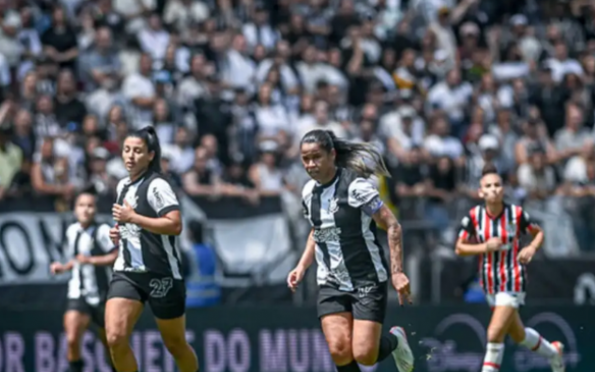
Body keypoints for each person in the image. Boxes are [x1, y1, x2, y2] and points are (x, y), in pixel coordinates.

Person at [287, 129, 414, 372]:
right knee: (339, 349)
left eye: (316, 157)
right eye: (305, 159)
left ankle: (396, 340)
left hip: (366, 278)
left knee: (365, 355)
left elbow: (392, 225)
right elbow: (318, 230)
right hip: (330, 281)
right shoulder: (307, 193)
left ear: (332, 155)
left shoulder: (356, 187)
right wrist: (302, 266)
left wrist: (397, 272)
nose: (311, 164)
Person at [456, 163, 565, 372]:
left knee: (494, 332)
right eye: (489, 186)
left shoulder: (516, 214)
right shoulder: (473, 217)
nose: (494, 189)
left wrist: (532, 248)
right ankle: (553, 352)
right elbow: (459, 248)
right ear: (481, 191)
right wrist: (485, 246)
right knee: (518, 334)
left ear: (503, 189)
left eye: (497, 185)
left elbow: (538, 232)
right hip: (489, 283)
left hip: (512, 279)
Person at [106, 126, 198, 372]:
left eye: (137, 151)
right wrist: (118, 232)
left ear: (150, 155)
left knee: (176, 344)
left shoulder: (158, 185)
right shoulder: (122, 185)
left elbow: (175, 224)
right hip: (127, 271)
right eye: (126, 150)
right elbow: (128, 223)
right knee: (115, 338)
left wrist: (133, 218)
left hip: (161, 272)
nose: (130, 156)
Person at [49, 192, 118, 372]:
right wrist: (64, 268)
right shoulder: (72, 231)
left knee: (111, 345)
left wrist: (92, 260)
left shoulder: (103, 230)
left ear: (95, 209)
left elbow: (117, 255)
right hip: (78, 292)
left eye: (90, 205)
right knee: (72, 339)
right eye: (81, 205)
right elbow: (77, 259)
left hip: (102, 294)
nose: (86, 210)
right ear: (75, 209)